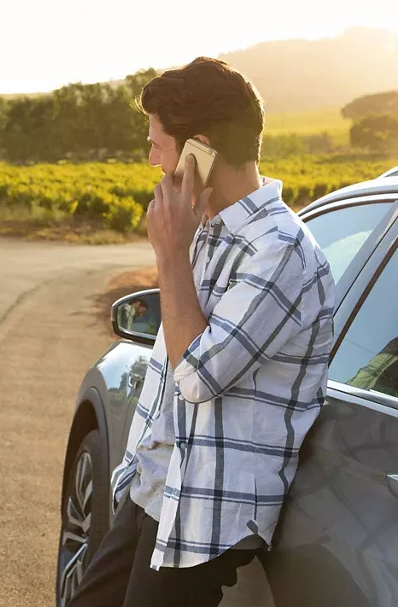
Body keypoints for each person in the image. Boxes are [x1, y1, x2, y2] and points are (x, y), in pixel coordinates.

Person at [66, 57, 336, 607]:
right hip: (158, 488)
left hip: (205, 513)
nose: (151, 160)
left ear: (200, 150)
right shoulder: (206, 230)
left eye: (158, 145)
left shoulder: (280, 251)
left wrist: (168, 254)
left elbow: (197, 374)